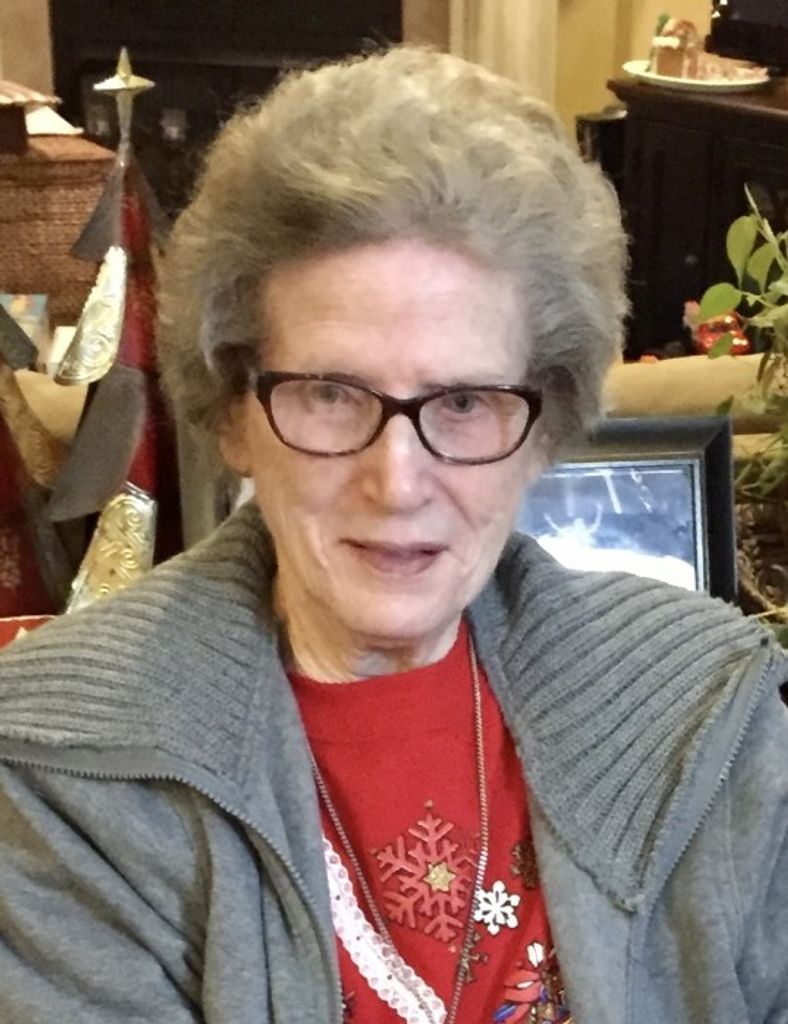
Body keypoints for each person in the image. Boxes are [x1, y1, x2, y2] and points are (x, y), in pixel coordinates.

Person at [0, 46, 786, 1024]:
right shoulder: (64, 763)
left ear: (541, 426)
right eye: (331, 393)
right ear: (235, 411)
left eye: (462, 402)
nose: (397, 481)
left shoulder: (705, 706)